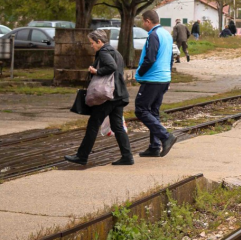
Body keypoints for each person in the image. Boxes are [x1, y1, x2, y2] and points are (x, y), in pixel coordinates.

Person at [65, 30, 133, 166]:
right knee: (117, 126)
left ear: (99, 42)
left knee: (93, 124)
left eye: (92, 43)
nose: (91, 46)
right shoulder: (116, 52)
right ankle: (127, 157)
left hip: (108, 96)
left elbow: (111, 67)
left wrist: (96, 71)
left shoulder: (103, 52)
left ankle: (82, 156)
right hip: (119, 95)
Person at [134, 9, 177, 157]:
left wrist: (139, 73)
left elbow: (150, 58)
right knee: (153, 111)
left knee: (141, 109)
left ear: (147, 21)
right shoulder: (167, 34)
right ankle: (154, 146)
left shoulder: (153, 35)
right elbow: (170, 58)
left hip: (152, 79)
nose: (142, 24)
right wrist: (169, 75)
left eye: (142, 21)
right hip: (164, 78)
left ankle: (165, 136)